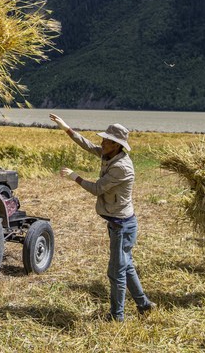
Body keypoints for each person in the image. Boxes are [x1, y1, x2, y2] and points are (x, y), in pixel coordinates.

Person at [49, 114, 154, 322]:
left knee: (116, 272)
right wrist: (66, 127)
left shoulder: (120, 167)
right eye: (103, 139)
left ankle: (117, 316)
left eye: (107, 141)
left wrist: (74, 176)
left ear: (117, 145)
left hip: (122, 225)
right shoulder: (109, 155)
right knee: (126, 265)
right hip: (118, 223)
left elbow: (97, 189)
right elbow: (87, 145)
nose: (102, 143)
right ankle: (144, 304)